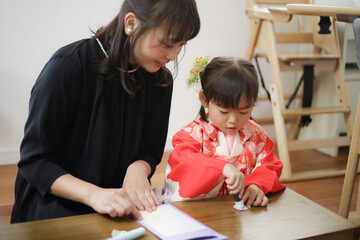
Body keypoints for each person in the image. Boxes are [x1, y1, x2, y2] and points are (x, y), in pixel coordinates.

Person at [11, 0, 200, 223]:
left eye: (181, 45)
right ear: (131, 23)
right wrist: (93, 195)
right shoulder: (68, 66)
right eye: (167, 44)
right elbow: (35, 162)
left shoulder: (160, 81)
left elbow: (149, 151)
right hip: (54, 205)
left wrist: (138, 168)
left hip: (119, 205)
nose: (173, 55)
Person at [158, 57, 286, 208]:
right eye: (224, 111)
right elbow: (185, 161)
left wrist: (256, 185)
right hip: (200, 211)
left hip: (240, 212)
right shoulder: (191, 134)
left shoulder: (257, 135)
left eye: (244, 111)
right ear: (204, 99)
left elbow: (269, 166)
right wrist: (223, 167)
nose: (233, 120)